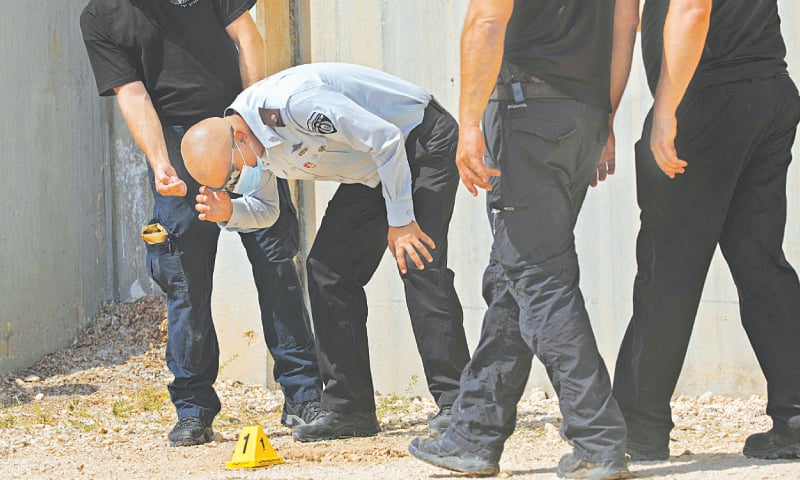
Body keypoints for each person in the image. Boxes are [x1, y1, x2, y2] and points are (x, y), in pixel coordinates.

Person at [180, 62, 471, 442]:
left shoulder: (292, 105)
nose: (238, 181)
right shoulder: (250, 143)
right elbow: (267, 211)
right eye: (229, 182)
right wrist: (230, 211)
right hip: (372, 170)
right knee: (327, 271)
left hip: (417, 140)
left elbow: (384, 138)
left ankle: (461, 404)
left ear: (237, 134)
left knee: (418, 262)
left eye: (234, 174)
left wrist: (400, 222)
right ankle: (349, 409)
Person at [407, 0, 635, 478]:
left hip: (526, 111)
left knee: (540, 280)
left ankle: (598, 441)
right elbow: (624, 21)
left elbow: (486, 19)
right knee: (515, 275)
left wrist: (468, 125)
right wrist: (605, 117)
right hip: (581, 116)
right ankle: (474, 433)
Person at [79, 0, 323, 447]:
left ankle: (304, 396)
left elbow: (248, 37)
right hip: (175, 137)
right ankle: (193, 408)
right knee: (184, 279)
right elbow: (132, 94)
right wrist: (160, 164)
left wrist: (252, 121)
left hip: (237, 127)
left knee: (276, 266)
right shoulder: (100, 16)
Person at [611, 0, 800, 461]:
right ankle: (795, 419)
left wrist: (665, 109)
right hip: (770, 90)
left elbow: (692, 7)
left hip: (707, 97)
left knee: (668, 266)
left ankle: (640, 427)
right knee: (762, 263)